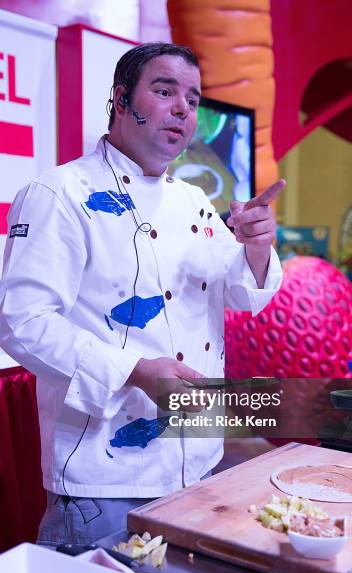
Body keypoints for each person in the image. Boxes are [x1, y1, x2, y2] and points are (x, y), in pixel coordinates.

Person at [0, 43, 284, 546]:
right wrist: (132, 370)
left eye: (193, 100)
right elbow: (22, 322)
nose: (182, 109)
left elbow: (242, 293)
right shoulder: (58, 194)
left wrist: (258, 246)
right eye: (164, 90)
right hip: (103, 480)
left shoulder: (194, 202)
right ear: (120, 98)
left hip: (198, 460)